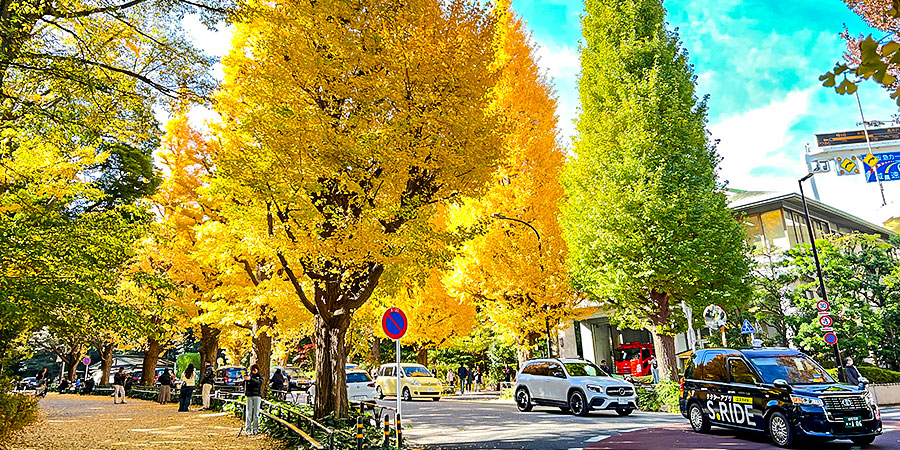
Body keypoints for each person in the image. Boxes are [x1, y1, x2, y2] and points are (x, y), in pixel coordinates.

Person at [243, 364, 263, 435]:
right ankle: (248, 429)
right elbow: (244, 385)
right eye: (252, 370)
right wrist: (245, 380)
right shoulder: (249, 376)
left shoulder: (259, 376)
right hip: (249, 396)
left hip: (257, 396)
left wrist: (251, 379)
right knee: (249, 413)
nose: (253, 371)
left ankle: (255, 429)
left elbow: (259, 383)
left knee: (256, 413)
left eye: (255, 370)